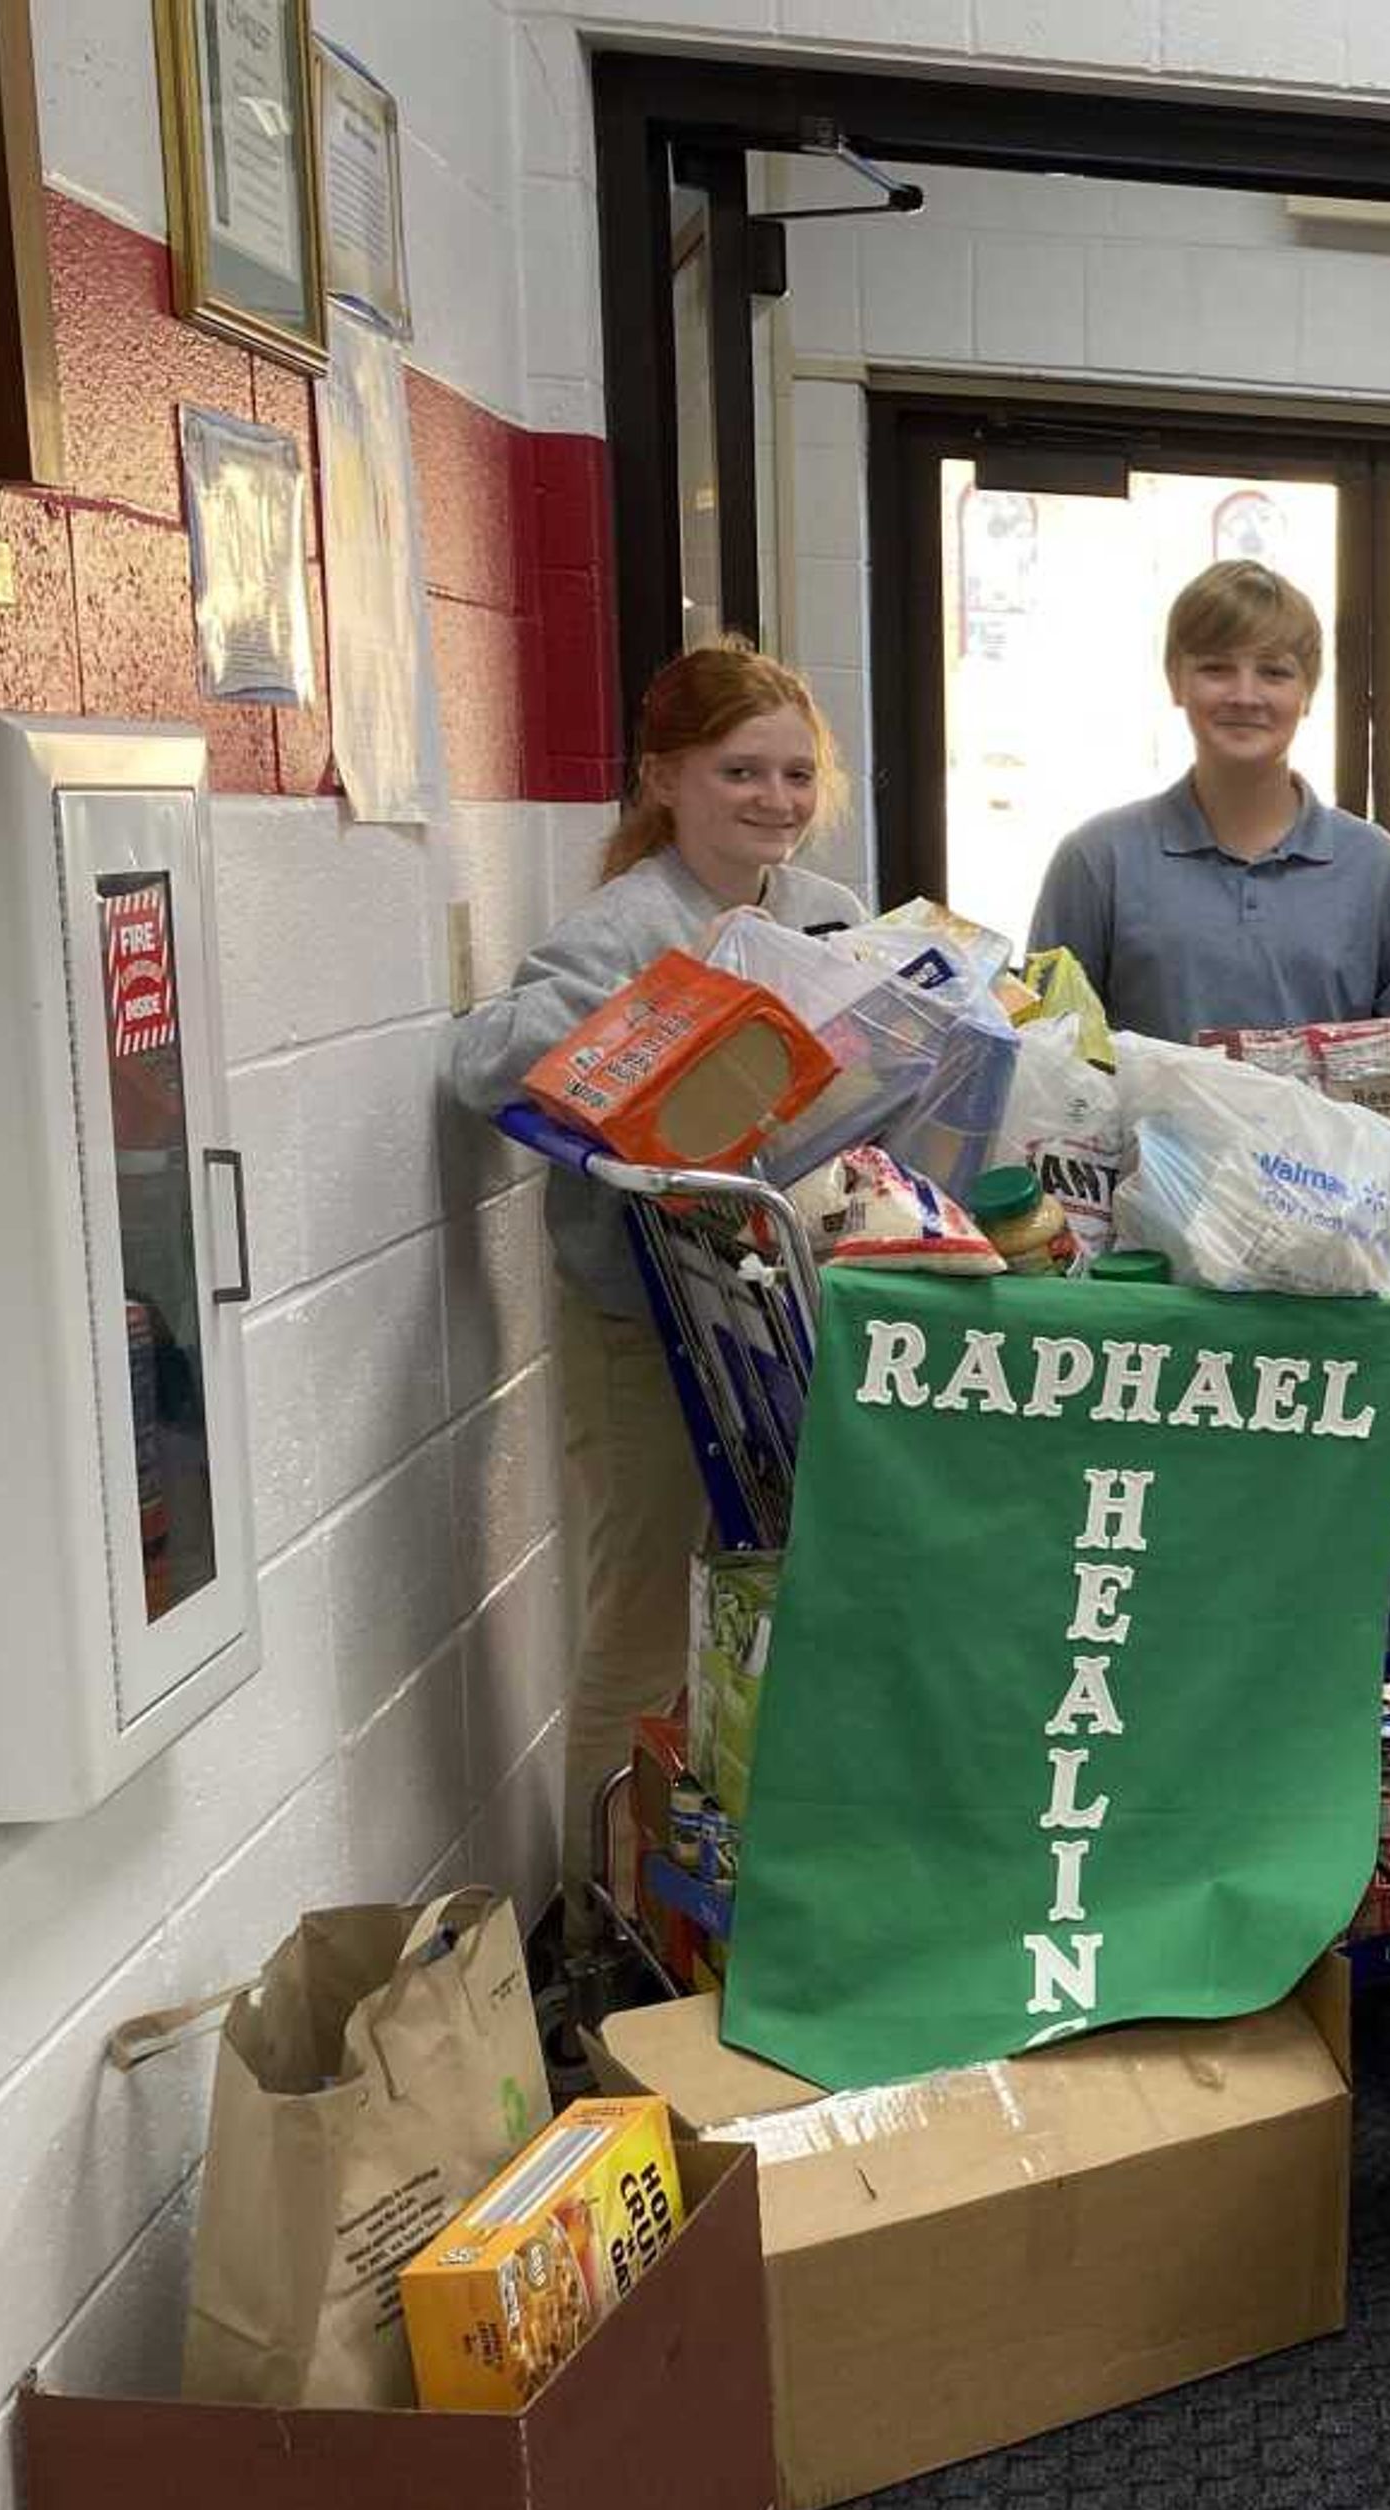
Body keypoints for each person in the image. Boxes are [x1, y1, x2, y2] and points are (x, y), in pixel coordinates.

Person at [443, 641, 866, 1914]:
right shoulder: (629, 926)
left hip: (781, 1313)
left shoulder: (826, 912)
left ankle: (736, 1895)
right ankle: (597, 1921)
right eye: (741, 770)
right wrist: (651, 1030)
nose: (775, 800)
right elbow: (484, 1058)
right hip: (651, 1327)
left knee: (773, 1618)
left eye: (797, 773)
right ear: (664, 780)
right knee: (640, 1632)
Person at [1025, 559, 1390, 1044]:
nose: (1246, 695)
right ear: (1175, 681)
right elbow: (1047, 1062)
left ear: (1307, 692)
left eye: (1274, 672)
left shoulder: (1380, 872)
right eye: (1216, 668)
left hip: (1331, 1126)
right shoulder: (1097, 861)